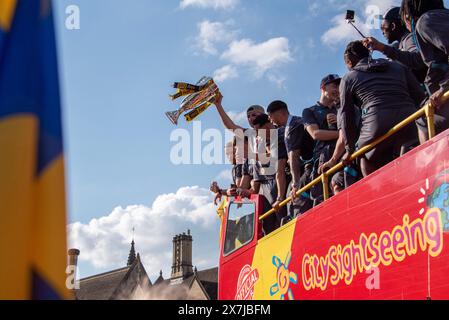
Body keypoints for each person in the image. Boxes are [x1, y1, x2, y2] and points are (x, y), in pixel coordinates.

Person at [340, 40, 426, 177]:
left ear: (349, 61)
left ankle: (380, 194)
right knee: (407, 141)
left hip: (376, 123)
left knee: (363, 155)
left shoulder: (349, 78)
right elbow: (419, 95)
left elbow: (346, 116)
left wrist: (349, 149)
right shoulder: (398, 66)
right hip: (409, 117)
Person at [400, 0, 449, 143]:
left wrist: (444, 87)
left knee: (423, 120)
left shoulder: (426, 21)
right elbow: (417, 60)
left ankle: (436, 165)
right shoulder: (441, 17)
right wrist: (384, 49)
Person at [239, 114, 288, 233]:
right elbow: (254, 189)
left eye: (257, 131)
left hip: (285, 197)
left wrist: (280, 197)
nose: (257, 136)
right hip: (271, 208)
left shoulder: (282, 134)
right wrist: (244, 192)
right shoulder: (254, 162)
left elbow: (276, 159)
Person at [267, 100, 315, 217]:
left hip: (311, 166)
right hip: (314, 164)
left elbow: (293, 157)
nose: (270, 120)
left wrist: (295, 183)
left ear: (279, 113)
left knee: (294, 198)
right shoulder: (299, 120)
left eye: (270, 116)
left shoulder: (291, 127)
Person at [302, 74, 340, 204]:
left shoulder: (341, 108)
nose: (338, 89)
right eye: (335, 86)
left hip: (344, 152)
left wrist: (340, 121)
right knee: (323, 200)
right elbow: (315, 134)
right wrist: (342, 134)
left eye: (339, 86)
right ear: (323, 87)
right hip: (323, 158)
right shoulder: (309, 111)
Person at [363, 7, 427, 84]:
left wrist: (381, 47)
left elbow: (418, 59)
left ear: (393, 26)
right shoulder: (398, 45)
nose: (382, 32)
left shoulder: (409, 38)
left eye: (383, 28)